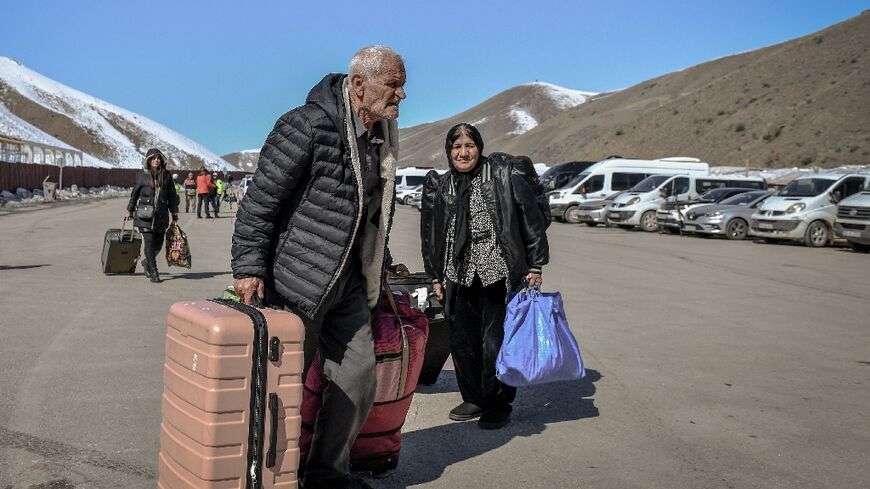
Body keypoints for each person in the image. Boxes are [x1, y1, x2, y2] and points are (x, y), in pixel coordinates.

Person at [231, 45, 405, 489]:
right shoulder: (305, 125)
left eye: (402, 85)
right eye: (393, 84)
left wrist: (379, 262)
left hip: (348, 284)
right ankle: (266, 476)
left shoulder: (380, 139)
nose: (401, 95)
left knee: (359, 376)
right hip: (296, 284)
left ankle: (327, 476)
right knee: (279, 392)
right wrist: (249, 267)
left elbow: (369, 214)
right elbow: (260, 202)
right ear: (359, 84)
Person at [421, 123, 550, 430]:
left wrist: (535, 266)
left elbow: (531, 220)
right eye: (456, 147)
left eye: (469, 145)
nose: (463, 152)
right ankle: (475, 397)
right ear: (449, 151)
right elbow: (431, 234)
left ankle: (497, 402)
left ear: (479, 147)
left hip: (498, 271)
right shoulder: (443, 186)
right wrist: (435, 276)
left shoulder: (503, 176)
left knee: (496, 342)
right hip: (458, 274)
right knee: (462, 340)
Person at [127, 148, 179, 283]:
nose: (156, 160)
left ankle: (146, 263)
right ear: (148, 160)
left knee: (158, 244)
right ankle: (154, 272)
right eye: (153, 158)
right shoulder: (142, 175)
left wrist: (174, 212)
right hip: (145, 215)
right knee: (149, 244)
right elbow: (135, 194)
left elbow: (172, 196)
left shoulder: (166, 175)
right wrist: (130, 210)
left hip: (161, 215)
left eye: (158, 158)